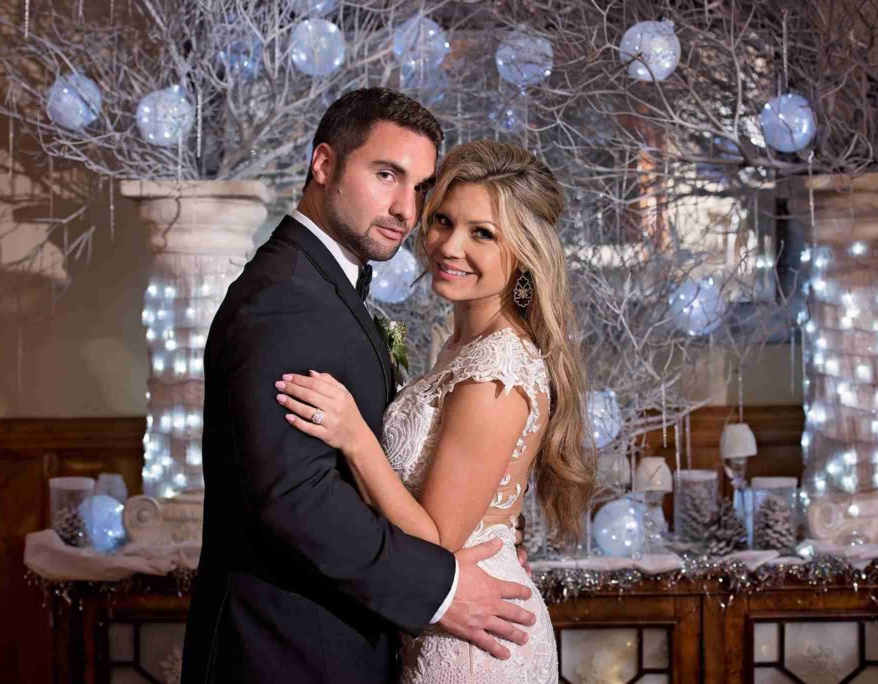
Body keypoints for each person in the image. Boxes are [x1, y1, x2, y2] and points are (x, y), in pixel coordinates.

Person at [180, 90, 539, 684]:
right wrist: (444, 586)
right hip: (286, 652)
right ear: (324, 164)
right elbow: (296, 498)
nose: (407, 208)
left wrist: (486, 536)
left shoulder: (327, 285)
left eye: (421, 188)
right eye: (386, 175)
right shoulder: (285, 299)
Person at [275, 139, 595, 682]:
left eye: (482, 234)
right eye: (443, 220)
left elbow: (435, 540)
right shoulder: (460, 349)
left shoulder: (495, 368)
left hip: (474, 645)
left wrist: (355, 437)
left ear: (524, 255)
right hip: (444, 620)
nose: (449, 245)